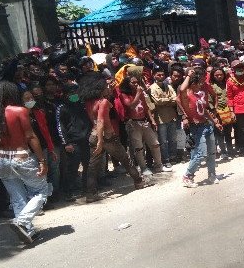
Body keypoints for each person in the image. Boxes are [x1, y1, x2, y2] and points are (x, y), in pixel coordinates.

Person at [0, 81, 49, 244]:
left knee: (17, 198)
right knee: (41, 191)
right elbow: (31, 136)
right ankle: (22, 221)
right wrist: (42, 160)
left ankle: (28, 231)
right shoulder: (20, 111)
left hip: (4, 159)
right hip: (22, 157)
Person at [80, 73, 146, 202]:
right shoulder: (103, 102)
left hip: (93, 135)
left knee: (92, 167)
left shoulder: (89, 102)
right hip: (107, 137)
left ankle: (90, 194)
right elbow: (100, 122)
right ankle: (138, 181)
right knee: (125, 159)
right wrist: (100, 140)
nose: (108, 88)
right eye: (106, 86)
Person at [179, 67, 219, 187]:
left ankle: (212, 174)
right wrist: (188, 75)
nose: (200, 85)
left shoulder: (198, 95)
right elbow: (182, 89)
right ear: (193, 84)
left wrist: (215, 122)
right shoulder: (187, 96)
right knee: (200, 153)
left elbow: (205, 111)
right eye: (198, 83)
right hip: (196, 127)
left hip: (207, 125)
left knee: (212, 151)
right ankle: (188, 176)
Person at [117, 75, 163, 175]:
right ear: (127, 84)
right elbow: (131, 106)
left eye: (137, 82)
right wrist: (138, 93)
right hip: (133, 123)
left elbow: (146, 108)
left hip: (145, 122)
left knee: (155, 144)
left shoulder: (140, 93)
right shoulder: (124, 95)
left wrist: (152, 120)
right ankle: (143, 168)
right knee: (139, 147)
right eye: (133, 82)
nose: (136, 84)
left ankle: (159, 165)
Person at [56, 84, 92, 200]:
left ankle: (86, 189)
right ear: (66, 94)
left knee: (88, 165)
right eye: (72, 93)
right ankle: (69, 192)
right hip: (72, 143)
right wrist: (66, 143)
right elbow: (60, 127)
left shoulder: (81, 104)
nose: (74, 95)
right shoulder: (62, 107)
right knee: (72, 168)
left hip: (86, 140)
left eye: (76, 93)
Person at [147, 68, 179, 170]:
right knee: (163, 140)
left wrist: (164, 101)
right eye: (158, 75)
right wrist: (168, 100)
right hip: (160, 118)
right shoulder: (152, 88)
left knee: (173, 139)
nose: (161, 76)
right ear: (154, 75)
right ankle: (166, 159)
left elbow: (176, 99)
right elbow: (157, 101)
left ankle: (173, 156)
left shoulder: (168, 86)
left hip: (171, 116)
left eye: (162, 75)